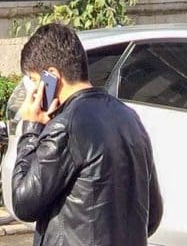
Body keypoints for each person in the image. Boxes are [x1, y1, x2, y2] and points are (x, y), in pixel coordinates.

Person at [12, 21, 162, 246]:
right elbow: (152, 215)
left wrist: (31, 129)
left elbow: (23, 202)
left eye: (34, 80)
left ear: (52, 76)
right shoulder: (129, 118)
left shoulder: (65, 126)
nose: (33, 91)